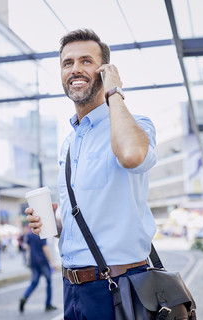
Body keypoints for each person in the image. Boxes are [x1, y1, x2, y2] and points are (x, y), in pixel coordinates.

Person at [25, 29, 157, 320]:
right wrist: (55, 223)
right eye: (67, 63)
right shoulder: (69, 143)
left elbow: (132, 155)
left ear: (104, 69)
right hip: (73, 290)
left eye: (86, 61)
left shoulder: (136, 125)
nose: (75, 69)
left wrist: (114, 92)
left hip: (118, 287)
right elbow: (88, 215)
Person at [19, 232, 57, 313]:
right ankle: (48, 305)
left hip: (33, 262)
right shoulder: (42, 233)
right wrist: (52, 261)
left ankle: (24, 298)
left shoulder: (30, 234)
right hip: (42, 262)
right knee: (49, 282)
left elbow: (26, 247)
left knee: (34, 283)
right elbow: (45, 248)